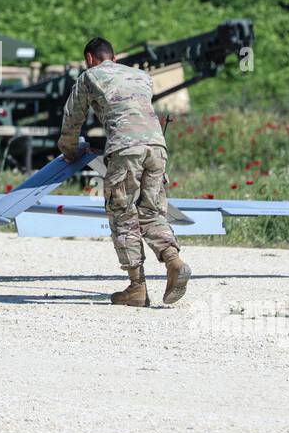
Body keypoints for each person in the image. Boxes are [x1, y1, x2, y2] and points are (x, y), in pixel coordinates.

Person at [57, 37, 190, 307]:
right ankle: (174, 261)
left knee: (123, 215)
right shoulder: (140, 76)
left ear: (90, 59)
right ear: (115, 58)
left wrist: (70, 151)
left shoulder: (89, 76)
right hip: (157, 147)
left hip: (125, 149)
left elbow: (72, 119)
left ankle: (137, 288)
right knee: (151, 211)